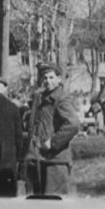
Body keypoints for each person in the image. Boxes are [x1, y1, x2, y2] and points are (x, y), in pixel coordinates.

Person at [23, 62, 80, 196]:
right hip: (40, 158)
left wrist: (53, 142)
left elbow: (73, 124)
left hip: (56, 160)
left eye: (51, 77)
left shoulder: (61, 98)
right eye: (45, 78)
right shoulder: (41, 98)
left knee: (55, 205)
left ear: (59, 79)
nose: (48, 81)